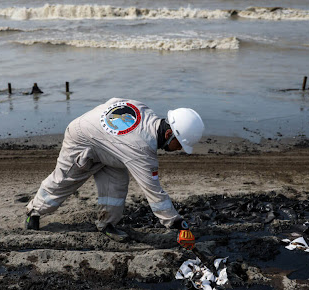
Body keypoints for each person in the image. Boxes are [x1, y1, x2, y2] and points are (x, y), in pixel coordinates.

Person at [25, 97, 203, 249]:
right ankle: (34, 211)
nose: (179, 149)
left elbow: (114, 102)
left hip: (109, 143)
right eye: (179, 144)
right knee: (64, 180)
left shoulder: (145, 110)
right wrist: (178, 223)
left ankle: (106, 223)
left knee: (117, 183)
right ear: (169, 133)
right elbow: (154, 192)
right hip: (82, 138)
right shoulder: (141, 148)